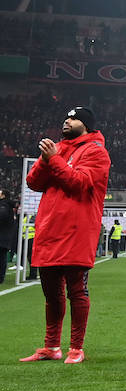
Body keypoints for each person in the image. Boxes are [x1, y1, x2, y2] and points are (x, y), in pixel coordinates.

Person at [19, 106, 110, 364]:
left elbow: (80, 183)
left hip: (76, 231)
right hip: (49, 229)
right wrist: (48, 158)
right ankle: (51, 347)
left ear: (87, 124)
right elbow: (33, 182)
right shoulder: (58, 149)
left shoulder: (96, 151)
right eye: (67, 118)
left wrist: (55, 159)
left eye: (74, 118)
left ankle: (76, 348)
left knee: (77, 291)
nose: (67, 121)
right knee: (51, 293)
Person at [0, 189, 16, 283]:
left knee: (1, 258)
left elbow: (2, 216)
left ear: (3, 195)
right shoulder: (7, 205)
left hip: (2, 237)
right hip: (5, 236)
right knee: (2, 257)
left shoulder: (4, 205)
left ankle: (0, 277)